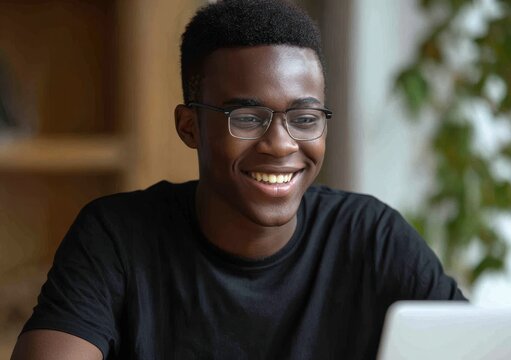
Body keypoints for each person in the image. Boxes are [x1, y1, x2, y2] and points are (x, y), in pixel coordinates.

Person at [12, 0, 466, 359]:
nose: (281, 143)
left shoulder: (372, 238)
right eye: (247, 117)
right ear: (189, 127)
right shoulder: (117, 237)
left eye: (305, 117)